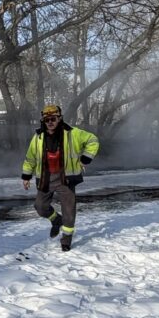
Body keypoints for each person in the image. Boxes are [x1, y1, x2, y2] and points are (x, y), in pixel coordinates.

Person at [21, 104, 100, 251]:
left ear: (59, 118)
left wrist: (85, 159)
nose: (50, 122)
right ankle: (56, 220)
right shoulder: (38, 137)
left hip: (66, 178)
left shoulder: (73, 133)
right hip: (46, 178)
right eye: (46, 120)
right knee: (40, 207)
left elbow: (93, 140)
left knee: (69, 211)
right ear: (43, 121)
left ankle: (66, 240)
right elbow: (30, 158)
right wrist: (26, 176)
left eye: (53, 118)